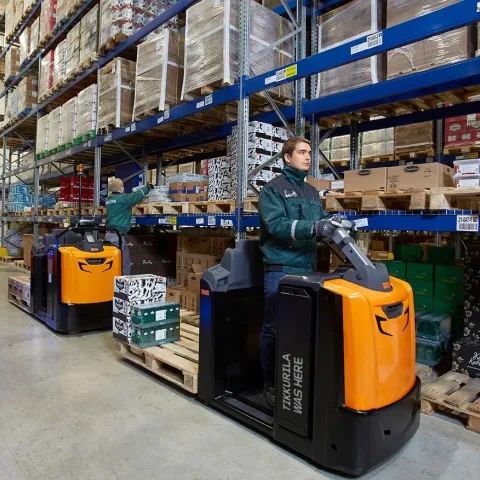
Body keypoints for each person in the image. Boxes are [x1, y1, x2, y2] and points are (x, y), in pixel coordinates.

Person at [258, 136, 337, 408]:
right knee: (275, 327)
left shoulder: (312, 192)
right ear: (287, 157)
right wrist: (312, 228)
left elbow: (320, 221)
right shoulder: (272, 190)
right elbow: (276, 225)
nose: (307, 157)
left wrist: (336, 223)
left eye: (309, 153)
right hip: (281, 268)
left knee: (303, 327)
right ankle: (270, 381)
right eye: (302, 152)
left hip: (308, 269)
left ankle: (295, 379)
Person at [105, 178, 153, 275]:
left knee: (112, 265)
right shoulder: (122, 199)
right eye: (122, 186)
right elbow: (136, 196)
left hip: (109, 235)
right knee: (125, 266)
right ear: (120, 189)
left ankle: (111, 282)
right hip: (117, 238)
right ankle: (122, 284)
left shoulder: (109, 200)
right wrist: (148, 187)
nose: (124, 188)